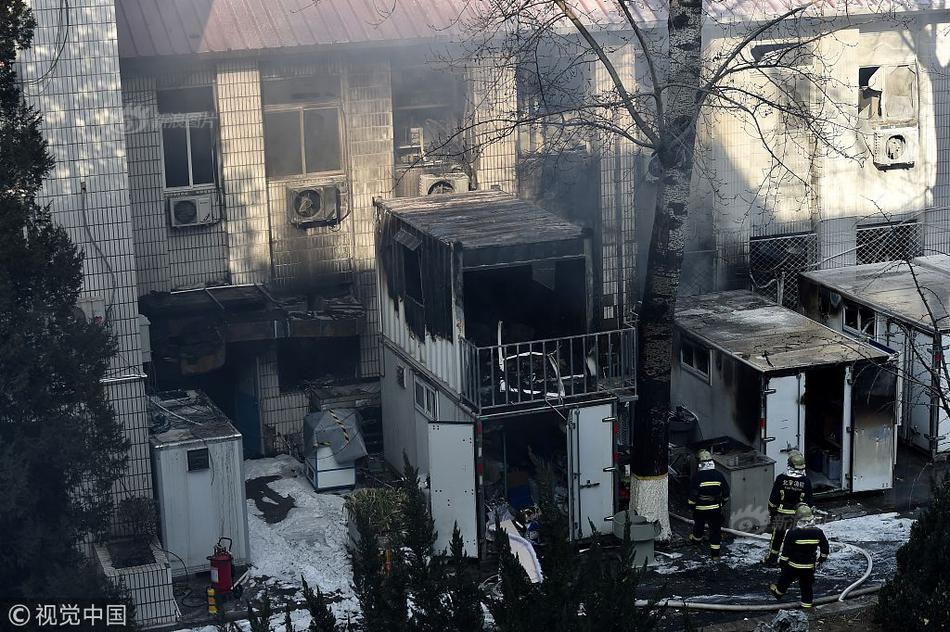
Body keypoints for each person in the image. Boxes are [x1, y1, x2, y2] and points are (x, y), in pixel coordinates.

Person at [769, 504, 829, 608]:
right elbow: (825, 548)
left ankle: (778, 592)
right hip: (809, 566)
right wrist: (821, 559)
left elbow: (786, 551)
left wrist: (782, 563)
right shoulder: (818, 532)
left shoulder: (792, 532)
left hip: (793, 565)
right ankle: (807, 605)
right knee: (806, 587)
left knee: (785, 579)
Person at [764, 450, 813, 566]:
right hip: (798, 516)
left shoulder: (781, 479)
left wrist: (772, 513)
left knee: (777, 539)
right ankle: (794, 559)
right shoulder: (806, 481)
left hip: (781, 514)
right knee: (796, 538)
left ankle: (772, 560)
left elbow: (773, 500)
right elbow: (809, 502)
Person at [688, 449, 730, 559]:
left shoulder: (697, 477)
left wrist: (692, 507)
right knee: (715, 531)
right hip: (715, 509)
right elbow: (726, 494)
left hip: (700, 509)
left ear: (700, 463)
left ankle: (696, 544)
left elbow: (692, 496)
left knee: (698, 526)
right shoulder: (719, 475)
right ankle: (715, 555)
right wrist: (721, 503)